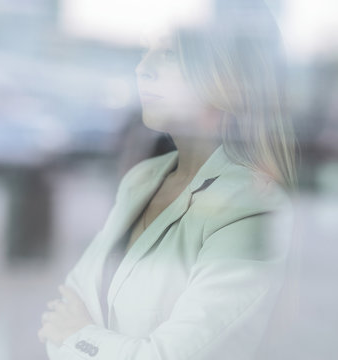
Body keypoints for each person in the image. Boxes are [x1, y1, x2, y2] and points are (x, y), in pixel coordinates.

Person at [38, 0, 299, 359]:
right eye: (146, 52)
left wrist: (80, 336)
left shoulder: (251, 208)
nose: (142, 69)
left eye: (170, 56)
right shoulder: (142, 179)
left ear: (229, 77)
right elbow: (61, 312)